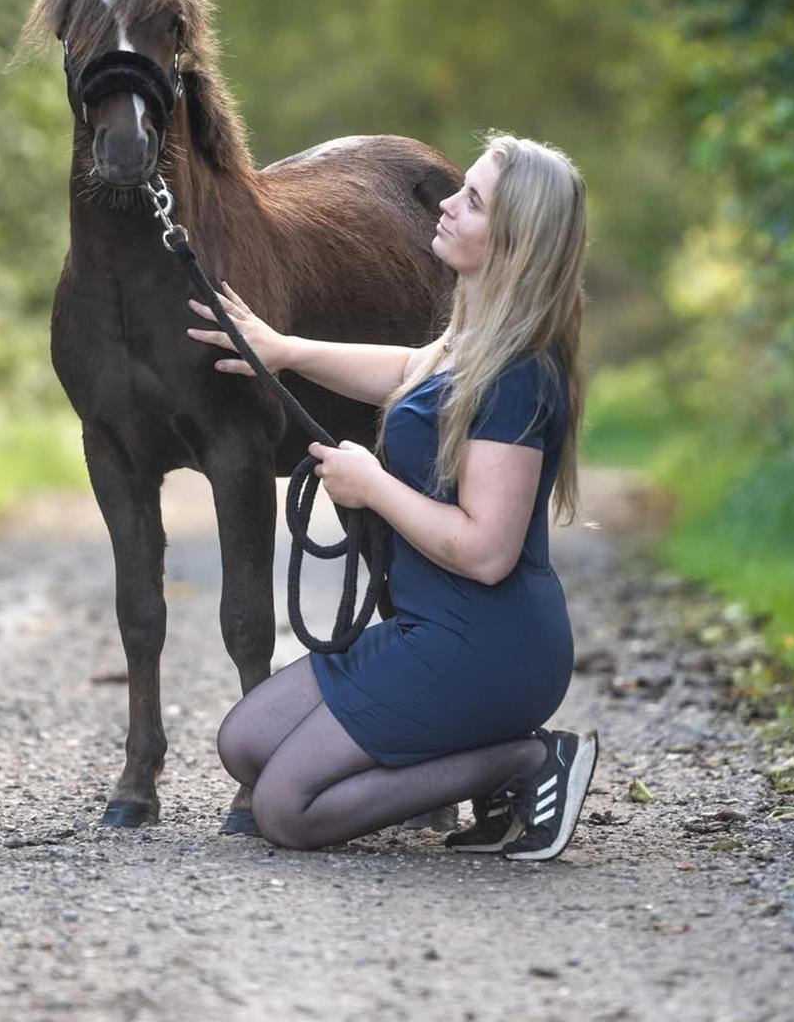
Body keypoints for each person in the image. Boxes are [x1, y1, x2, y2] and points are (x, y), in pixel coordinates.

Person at [187, 130, 598, 857]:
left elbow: (487, 552)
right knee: (246, 742)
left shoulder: (517, 375)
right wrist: (285, 351)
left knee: (287, 809)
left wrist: (373, 487)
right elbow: (408, 370)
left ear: (513, 242)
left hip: (486, 648)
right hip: (428, 632)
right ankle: (476, 752)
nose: (446, 204)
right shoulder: (473, 342)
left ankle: (526, 761)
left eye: (472, 201)